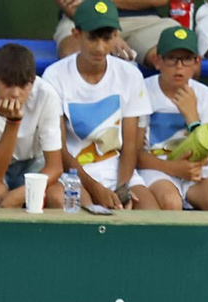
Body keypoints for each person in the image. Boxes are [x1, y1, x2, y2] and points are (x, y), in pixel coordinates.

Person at [44, 0, 155, 210]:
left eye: (106, 39)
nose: (100, 47)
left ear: (116, 36)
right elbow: (60, 149)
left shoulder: (130, 75)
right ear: (76, 34)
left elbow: (130, 145)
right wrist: (95, 189)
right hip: (73, 174)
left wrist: (121, 189)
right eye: (92, 38)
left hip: (120, 174)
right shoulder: (54, 76)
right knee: (70, 204)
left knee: (150, 212)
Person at [139, 25, 208, 209]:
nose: (179, 67)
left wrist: (192, 118)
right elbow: (135, 155)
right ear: (158, 61)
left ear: (196, 63)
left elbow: (207, 155)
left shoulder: (206, 95)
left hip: (195, 167)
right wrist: (172, 168)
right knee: (170, 201)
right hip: (156, 167)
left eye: (186, 59)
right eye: (172, 59)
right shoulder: (142, 91)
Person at [0, 42, 64, 209]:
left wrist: (20, 194)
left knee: (57, 196)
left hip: (32, 161)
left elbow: (54, 166)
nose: (16, 94)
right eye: (8, 85)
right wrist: (13, 123)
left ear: (33, 82)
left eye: (23, 86)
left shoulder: (47, 95)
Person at [54, 0, 179, 64]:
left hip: (144, 20)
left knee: (175, 54)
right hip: (85, 18)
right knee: (76, 54)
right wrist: (104, 29)